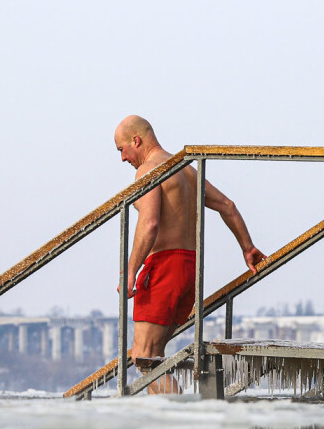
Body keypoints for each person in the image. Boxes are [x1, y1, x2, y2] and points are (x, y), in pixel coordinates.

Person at [114, 115, 266, 371]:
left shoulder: (149, 170)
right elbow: (227, 206)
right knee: (156, 357)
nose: (123, 159)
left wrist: (130, 272)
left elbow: (149, 223)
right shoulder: (187, 169)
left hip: (163, 267)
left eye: (122, 150)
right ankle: (174, 410)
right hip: (189, 270)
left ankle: (179, 411)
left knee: (145, 358)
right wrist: (247, 247)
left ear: (135, 140)